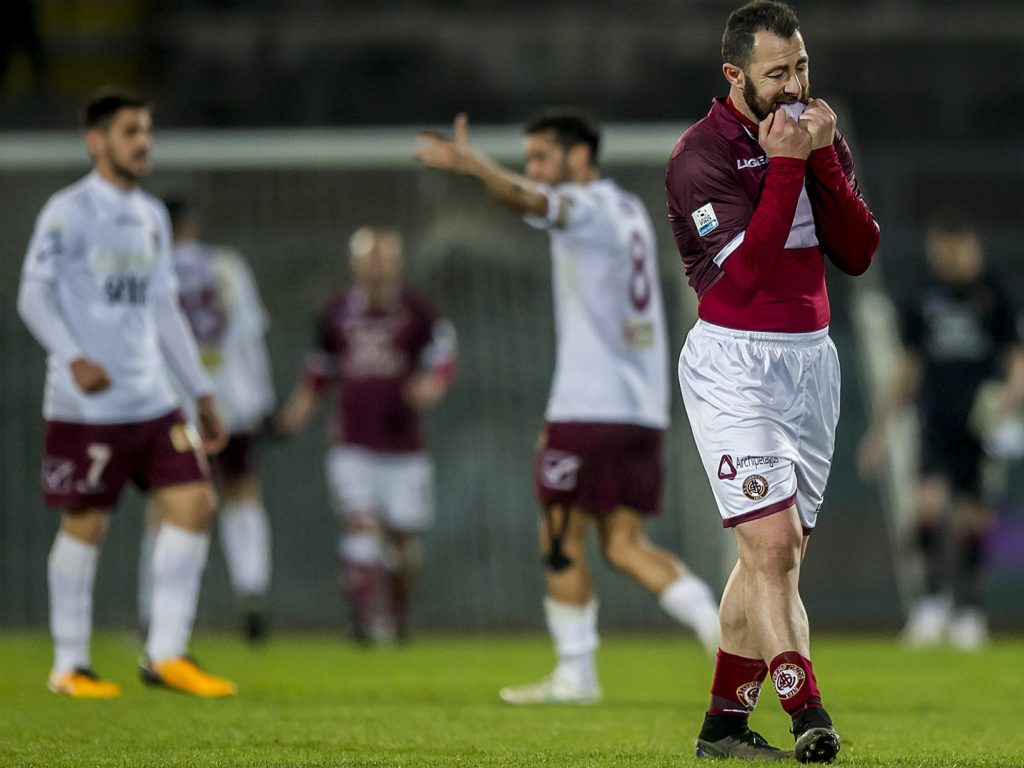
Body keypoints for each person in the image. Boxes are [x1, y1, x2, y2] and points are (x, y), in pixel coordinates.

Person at [415, 108, 722, 706]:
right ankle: (718, 629)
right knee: (624, 544)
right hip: (641, 409)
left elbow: (530, 202)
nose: (533, 169)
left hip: (589, 406)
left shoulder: (584, 207)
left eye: (541, 157)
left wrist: (475, 166)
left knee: (559, 536)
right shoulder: (628, 210)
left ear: (579, 157)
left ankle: (576, 674)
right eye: (528, 158)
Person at [665, 1, 880, 761]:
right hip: (736, 363)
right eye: (777, 73)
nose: (794, 86)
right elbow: (743, 279)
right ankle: (806, 710)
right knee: (774, 546)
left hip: (811, 363)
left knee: (772, 560)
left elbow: (857, 252)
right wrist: (788, 165)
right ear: (735, 75)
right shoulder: (700, 156)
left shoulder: (814, 131)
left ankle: (724, 726)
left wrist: (820, 160)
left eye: (802, 67)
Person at [16, 86, 237, 698]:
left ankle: (166, 654)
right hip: (88, 407)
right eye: (130, 132)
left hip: (153, 399)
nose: (144, 143)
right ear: (97, 141)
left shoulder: (152, 216)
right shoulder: (68, 211)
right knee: (87, 524)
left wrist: (201, 392)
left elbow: (163, 308)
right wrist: (74, 357)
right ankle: (69, 665)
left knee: (196, 503)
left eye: (146, 131)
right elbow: (33, 294)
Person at [275, 227, 456, 644]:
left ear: (397, 264)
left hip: (404, 445)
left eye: (384, 261)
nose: (376, 269)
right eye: (369, 261)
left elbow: (444, 359)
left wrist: (433, 383)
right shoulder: (336, 313)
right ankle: (362, 619)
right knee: (360, 525)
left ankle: (397, 614)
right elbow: (318, 373)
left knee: (402, 540)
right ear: (355, 264)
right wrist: (294, 416)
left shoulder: (420, 312)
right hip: (353, 443)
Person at [858, 215, 1024, 651]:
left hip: (980, 424)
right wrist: (879, 431)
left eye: (955, 246)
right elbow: (908, 366)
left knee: (974, 516)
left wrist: (1010, 402)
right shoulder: (923, 295)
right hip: (935, 419)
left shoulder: (993, 292)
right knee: (927, 506)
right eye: (941, 247)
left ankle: (969, 611)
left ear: (971, 244)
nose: (948, 256)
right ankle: (931, 605)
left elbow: (1016, 358)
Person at [138, 197, 277, 643]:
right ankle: (252, 589)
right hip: (229, 400)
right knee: (241, 493)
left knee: (165, 506)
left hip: (170, 404)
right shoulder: (226, 265)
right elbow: (250, 336)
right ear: (192, 224)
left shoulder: (146, 269)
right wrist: (262, 400)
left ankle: (151, 611)